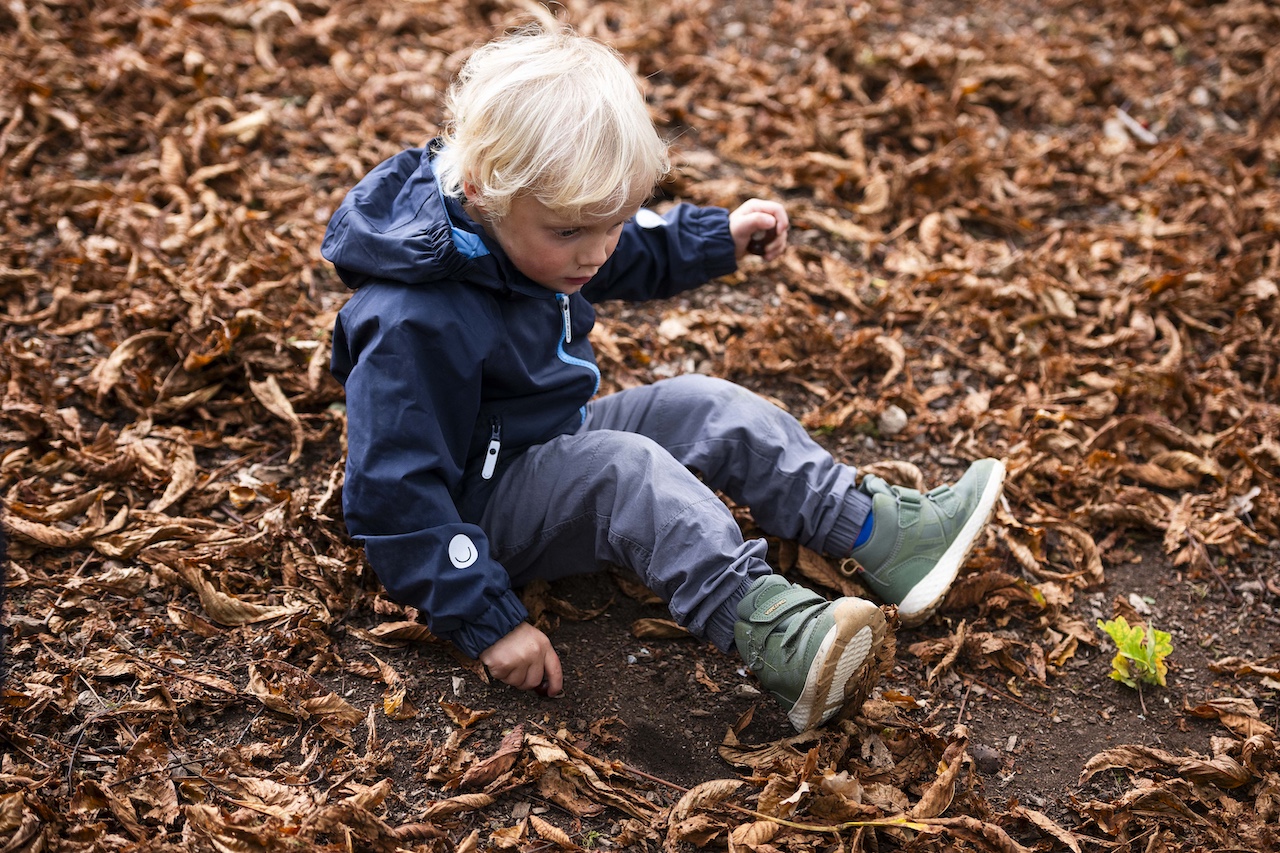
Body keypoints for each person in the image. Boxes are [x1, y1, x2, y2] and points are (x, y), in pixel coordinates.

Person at [322, 25, 1005, 732]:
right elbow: (392, 494)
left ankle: (880, 534)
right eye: (572, 233)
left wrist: (717, 237)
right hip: (472, 510)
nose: (596, 252)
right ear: (483, 194)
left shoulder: (537, 226)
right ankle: (769, 631)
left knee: (706, 406)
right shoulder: (412, 320)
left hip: (550, 437)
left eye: (609, 221)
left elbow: (631, 243)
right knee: (627, 472)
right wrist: (486, 619)